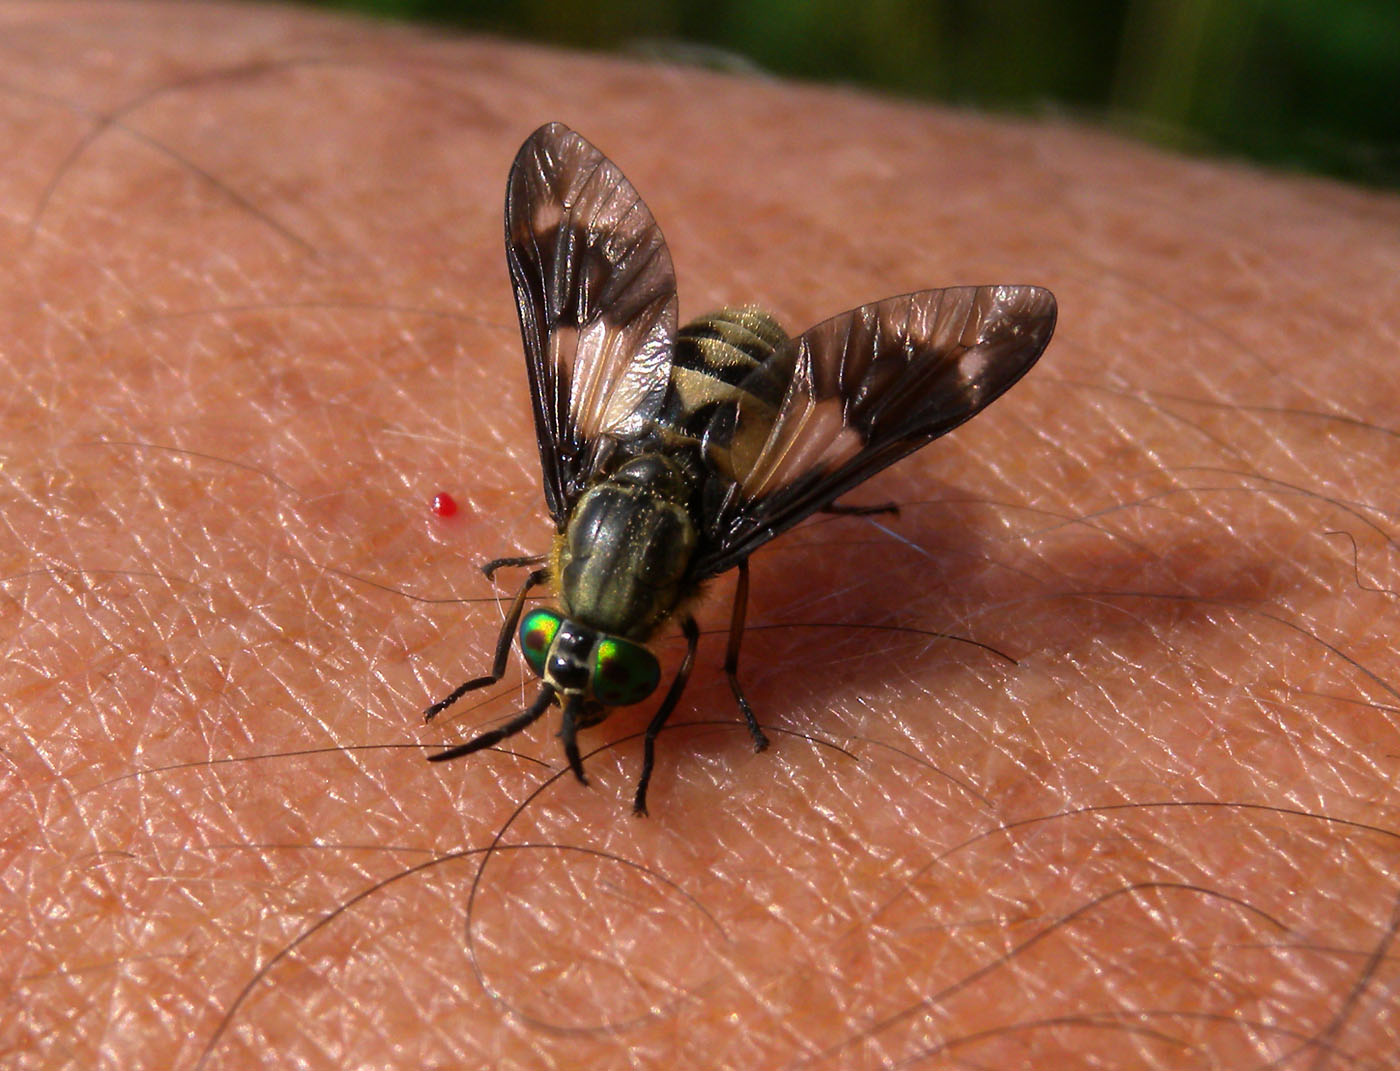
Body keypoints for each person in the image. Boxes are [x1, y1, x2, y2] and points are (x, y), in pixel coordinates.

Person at [6, 5, 1396, 1068]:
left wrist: (723, 675)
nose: (563, 668)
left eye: (554, 652)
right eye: (556, 653)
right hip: (645, 441)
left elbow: (711, 570)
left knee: (786, 487)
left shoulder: (682, 547)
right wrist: (542, 649)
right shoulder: (581, 553)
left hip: (704, 440)